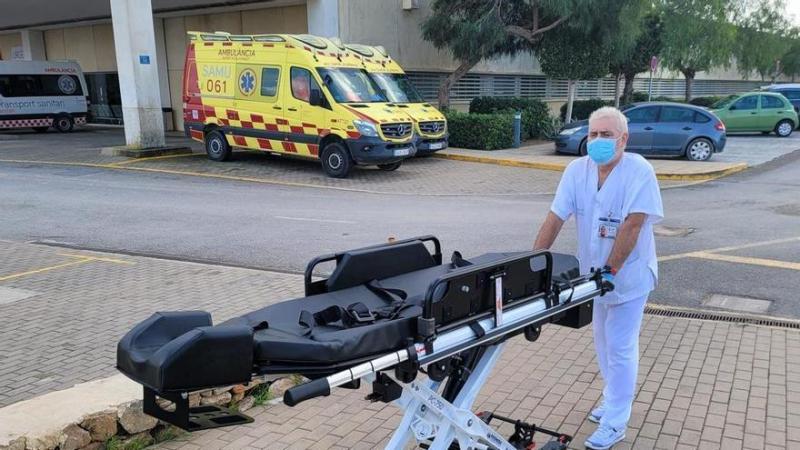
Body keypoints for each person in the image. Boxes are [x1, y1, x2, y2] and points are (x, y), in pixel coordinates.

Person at [533, 106, 663, 449]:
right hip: (593, 277)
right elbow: (555, 217)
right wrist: (532, 262)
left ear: (623, 139)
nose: (598, 140)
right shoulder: (577, 171)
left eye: (606, 134)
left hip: (628, 276)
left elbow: (633, 224)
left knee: (620, 345)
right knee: (603, 341)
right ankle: (612, 398)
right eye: (593, 134)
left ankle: (616, 421)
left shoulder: (639, 171)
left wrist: (610, 270)